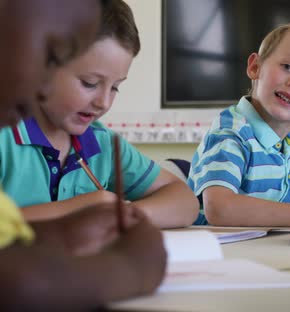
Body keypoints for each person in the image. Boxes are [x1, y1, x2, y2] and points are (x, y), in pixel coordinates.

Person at [0, 0, 166, 310]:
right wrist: (133, 269)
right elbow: (21, 286)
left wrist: (64, 231)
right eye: (89, 83)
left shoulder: (97, 140)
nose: (103, 102)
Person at [0, 0, 199, 229]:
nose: (103, 102)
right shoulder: (6, 134)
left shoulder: (102, 143)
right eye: (89, 83)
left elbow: (185, 201)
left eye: (115, 87)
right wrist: (81, 210)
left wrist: (119, 216)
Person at [188, 23, 290, 226]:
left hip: (260, 249)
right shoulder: (231, 132)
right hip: (216, 252)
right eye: (287, 67)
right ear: (255, 67)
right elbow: (220, 210)